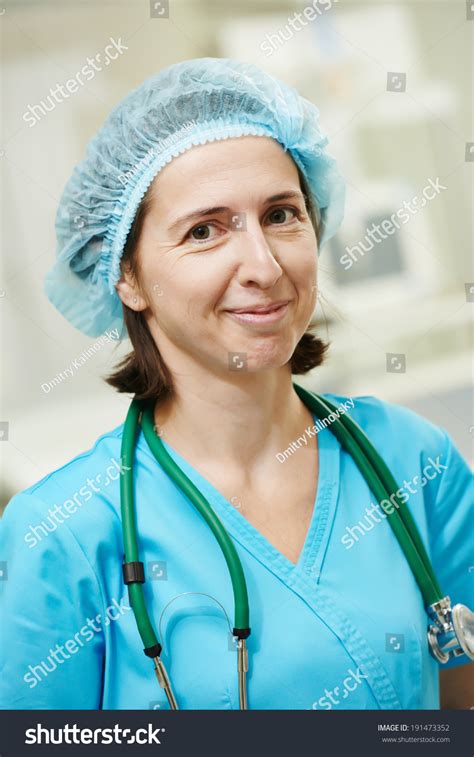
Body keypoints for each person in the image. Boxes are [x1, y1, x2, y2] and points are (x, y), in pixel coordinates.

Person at [0, 58, 472, 711]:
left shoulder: (414, 461)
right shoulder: (66, 531)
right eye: (205, 230)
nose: (263, 263)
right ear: (125, 274)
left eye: (281, 214)